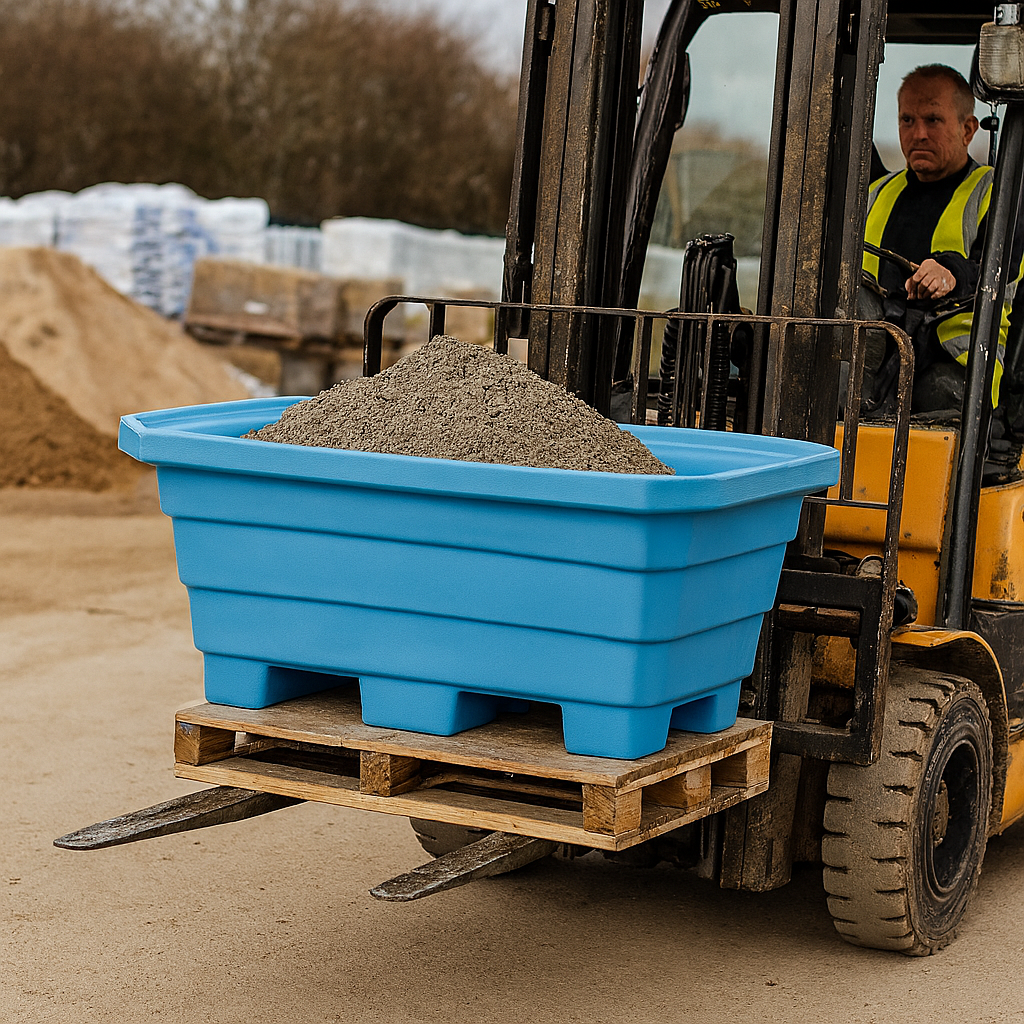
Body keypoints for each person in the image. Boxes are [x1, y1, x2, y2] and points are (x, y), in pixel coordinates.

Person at [861, 64, 1024, 419]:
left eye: (933, 120)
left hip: (958, 366)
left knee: (936, 394)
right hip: (876, 356)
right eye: (907, 120)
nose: (917, 134)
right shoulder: (876, 193)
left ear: (968, 130)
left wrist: (949, 271)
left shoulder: (1001, 195)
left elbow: (1001, 267)